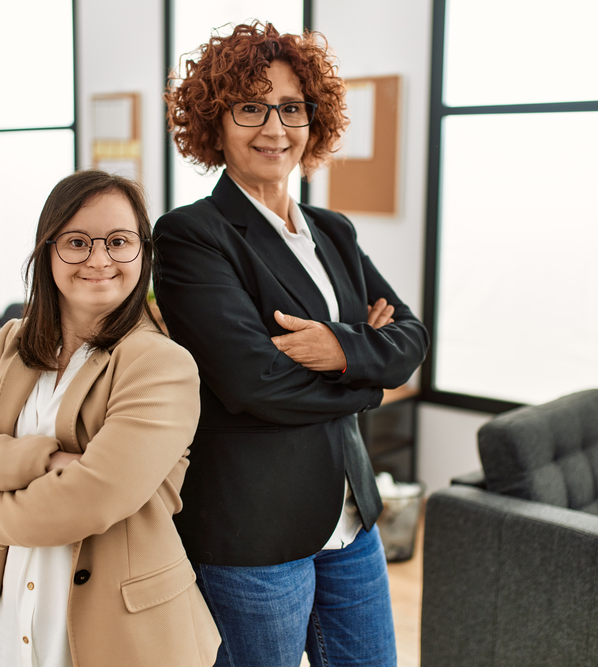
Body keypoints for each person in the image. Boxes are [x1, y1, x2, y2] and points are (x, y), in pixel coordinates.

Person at [154, 21, 429, 667]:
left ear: (314, 120)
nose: (274, 127)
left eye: (291, 107)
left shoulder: (333, 231)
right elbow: (252, 382)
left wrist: (337, 348)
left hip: (350, 515)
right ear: (214, 122)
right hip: (254, 527)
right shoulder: (193, 235)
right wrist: (367, 374)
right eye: (250, 107)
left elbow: (411, 337)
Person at [0, 171, 220, 667]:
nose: (99, 259)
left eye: (119, 241)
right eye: (77, 242)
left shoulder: (160, 363)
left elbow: (92, 499)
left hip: (125, 633)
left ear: (143, 254)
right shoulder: (14, 344)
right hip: (17, 611)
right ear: (48, 252)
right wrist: (44, 460)